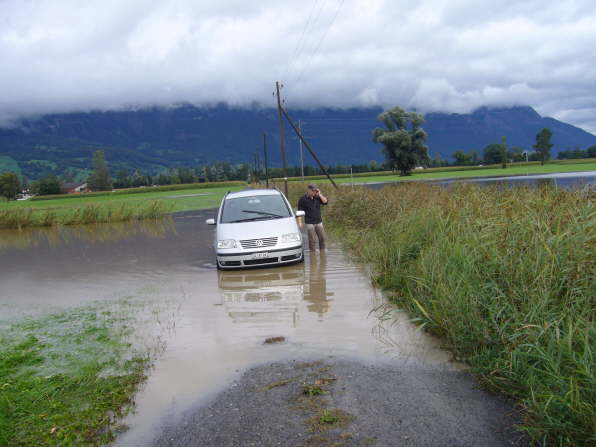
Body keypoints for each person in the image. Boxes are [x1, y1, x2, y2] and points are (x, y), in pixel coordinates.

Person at [297, 183, 328, 251]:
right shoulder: (302, 199)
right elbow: (299, 213)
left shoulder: (318, 197)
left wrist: (320, 194)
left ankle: (322, 252)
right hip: (309, 222)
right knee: (312, 240)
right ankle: (313, 254)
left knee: (322, 238)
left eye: (315, 190)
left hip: (318, 221)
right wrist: (300, 223)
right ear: (308, 190)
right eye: (313, 190)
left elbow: (325, 202)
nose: (314, 192)